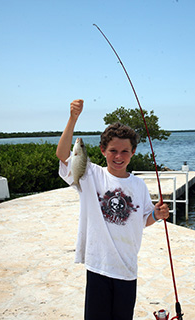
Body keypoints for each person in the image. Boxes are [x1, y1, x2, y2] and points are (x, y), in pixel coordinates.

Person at [56, 99, 169, 320]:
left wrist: (156, 214)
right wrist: (73, 118)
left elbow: (142, 218)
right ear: (102, 150)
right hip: (99, 266)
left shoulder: (139, 185)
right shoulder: (90, 175)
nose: (119, 156)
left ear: (133, 152)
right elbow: (62, 154)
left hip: (127, 268)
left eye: (125, 151)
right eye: (113, 150)